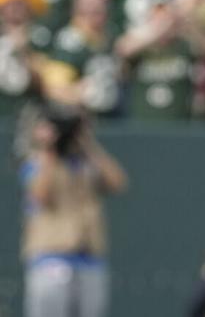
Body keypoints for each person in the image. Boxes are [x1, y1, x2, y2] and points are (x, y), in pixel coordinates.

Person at [19, 102, 127, 317]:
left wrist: (88, 143)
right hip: (51, 256)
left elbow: (118, 183)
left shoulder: (87, 162)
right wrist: (50, 148)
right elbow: (40, 196)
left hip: (89, 257)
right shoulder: (38, 161)